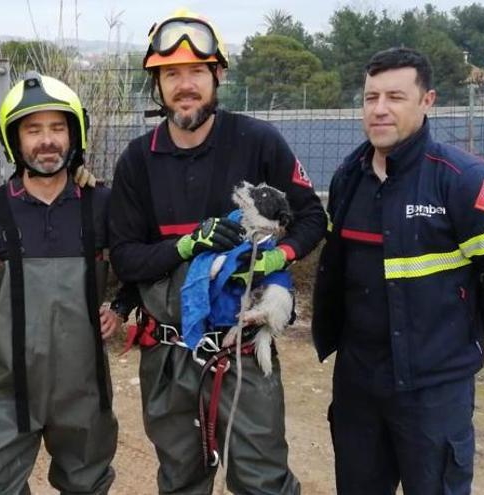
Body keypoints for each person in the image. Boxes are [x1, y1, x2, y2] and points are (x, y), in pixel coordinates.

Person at [108, 8, 326, 494]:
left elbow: (313, 218)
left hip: (244, 350)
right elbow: (125, 258)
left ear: (218, 74)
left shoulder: (257, 142)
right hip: (168, 353)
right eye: (170, 74)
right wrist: (185, 246)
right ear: (157, 84)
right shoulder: (138, 161)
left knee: (261, 482)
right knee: (181, 481)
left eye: (196, 72)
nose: (184, 85)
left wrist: (277, 258)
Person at [312, 47, 484, 494]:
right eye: (371, 98)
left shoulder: (466, 181)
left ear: (427, 101)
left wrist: (460, 335)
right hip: (358, 381)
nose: (380, 109)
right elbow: (337, 269)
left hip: (434, 388)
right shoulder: (348, 176)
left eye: (395, 96)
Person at [0, 72, 120, 494]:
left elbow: (139, 266)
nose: (46, 140)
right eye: (33, 130)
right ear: (15, 141)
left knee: (87, 485)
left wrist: (119, 309)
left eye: (57, 127)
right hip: (2, 389)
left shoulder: (102, 205)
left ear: (75, 134)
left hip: (82, 388)